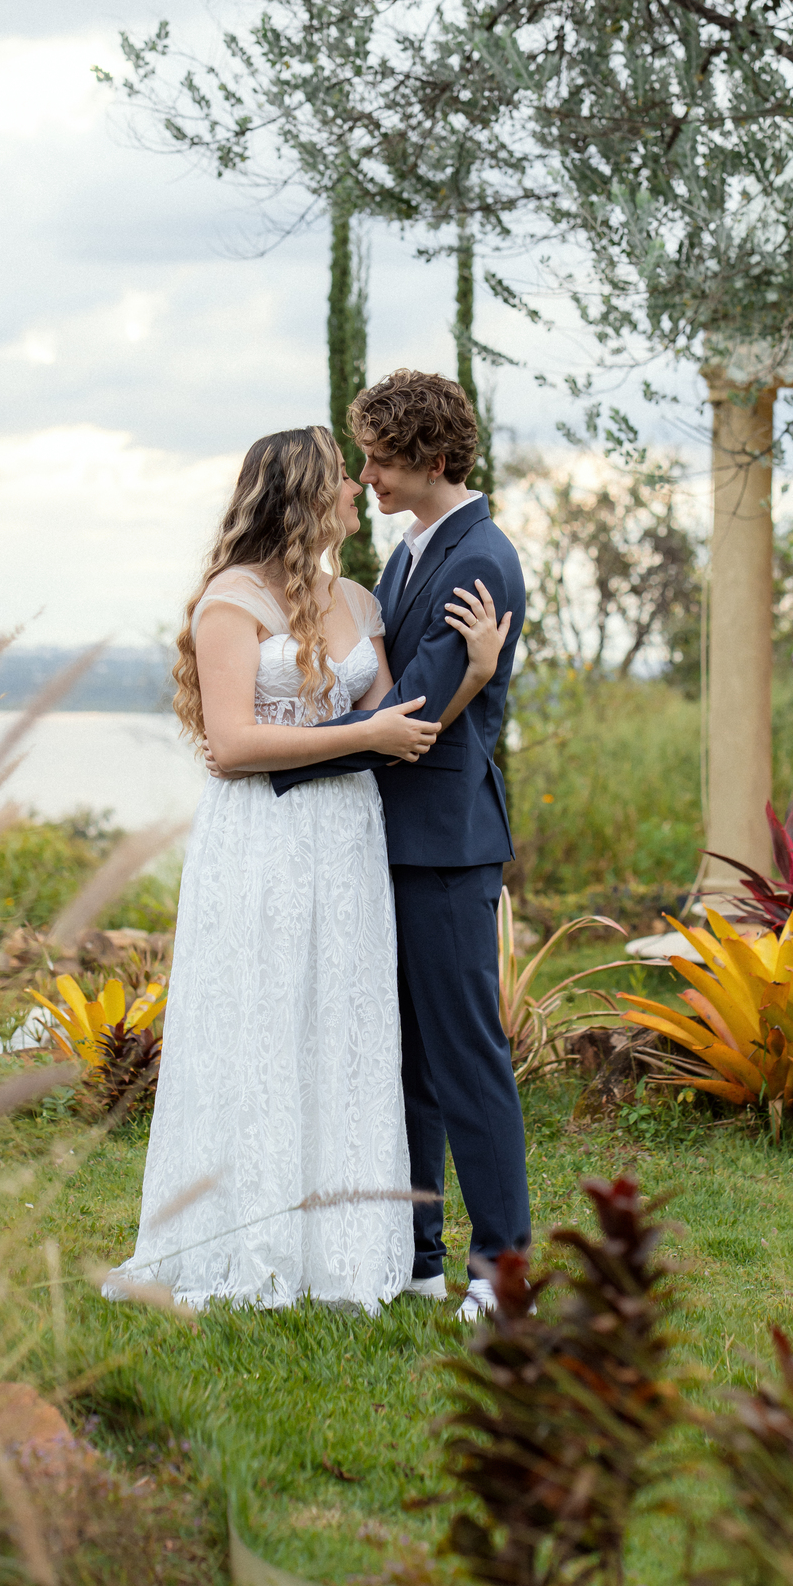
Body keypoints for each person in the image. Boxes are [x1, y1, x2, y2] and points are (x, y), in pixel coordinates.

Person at [105, 424, 508, 1314]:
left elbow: (403, 726)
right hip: (262, 836)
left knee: (345, 1023)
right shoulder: (232, 600)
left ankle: (345, 1247)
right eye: (342, 477)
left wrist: (475, 675)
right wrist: (359, 734)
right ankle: (249, 1238)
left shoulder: (359, 600)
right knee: (261, 1019)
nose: (358, 487)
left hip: (348, 838)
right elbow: (233, 744)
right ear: (303, 494)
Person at [268, 371, 530, 1321]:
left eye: (380, 459)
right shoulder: (411, 552)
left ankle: (501, 1274)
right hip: (390, 837)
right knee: (405, 1060)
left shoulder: (480, 558)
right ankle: (418, 1257)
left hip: (446, 846)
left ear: (433, 457)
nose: (366, 475)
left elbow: (410, 714)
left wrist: (273, 764)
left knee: (464, 1058)